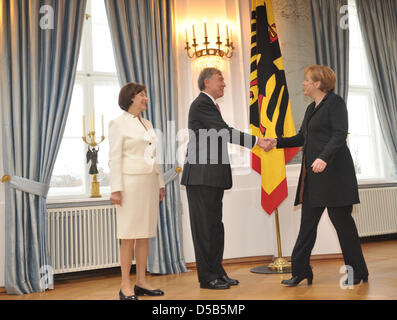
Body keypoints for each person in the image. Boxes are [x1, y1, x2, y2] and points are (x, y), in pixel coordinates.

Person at [265, 65, 369, 287]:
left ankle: (357, 271)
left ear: (318, 83)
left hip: (335, 176)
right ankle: (301, 271)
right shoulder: (311, 108)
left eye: (306, 80)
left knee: (343, 227)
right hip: (313, 178)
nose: (303, 83)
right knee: (307, 226)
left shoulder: (335, 103)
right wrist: (276, 142)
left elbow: (340, 133)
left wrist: (323, 157)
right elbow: (302, 137)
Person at [181, 67, 270, 290]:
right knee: (204, 229)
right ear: (207, 82)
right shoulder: (201, 103)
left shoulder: (210, 105)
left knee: (215, 227)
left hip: (212, 177)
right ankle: (207, 277)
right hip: (201, 177)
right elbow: (224, 132)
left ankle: (217, 272)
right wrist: (257, 142)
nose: (224, 84)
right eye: (220, 79)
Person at [108, 82, 166, 300]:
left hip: (149, 184)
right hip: (129, 186)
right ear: (131, 98)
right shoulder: (117, 124)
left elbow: (154, 155)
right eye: (142, 95)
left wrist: (160, 183)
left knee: (145, 234)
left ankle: (141, 281)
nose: (146, 98)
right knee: (128, 235)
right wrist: (116, 189)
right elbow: (114, 158)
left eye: (145, 95)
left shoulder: (148, 123)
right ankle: (125, 285)